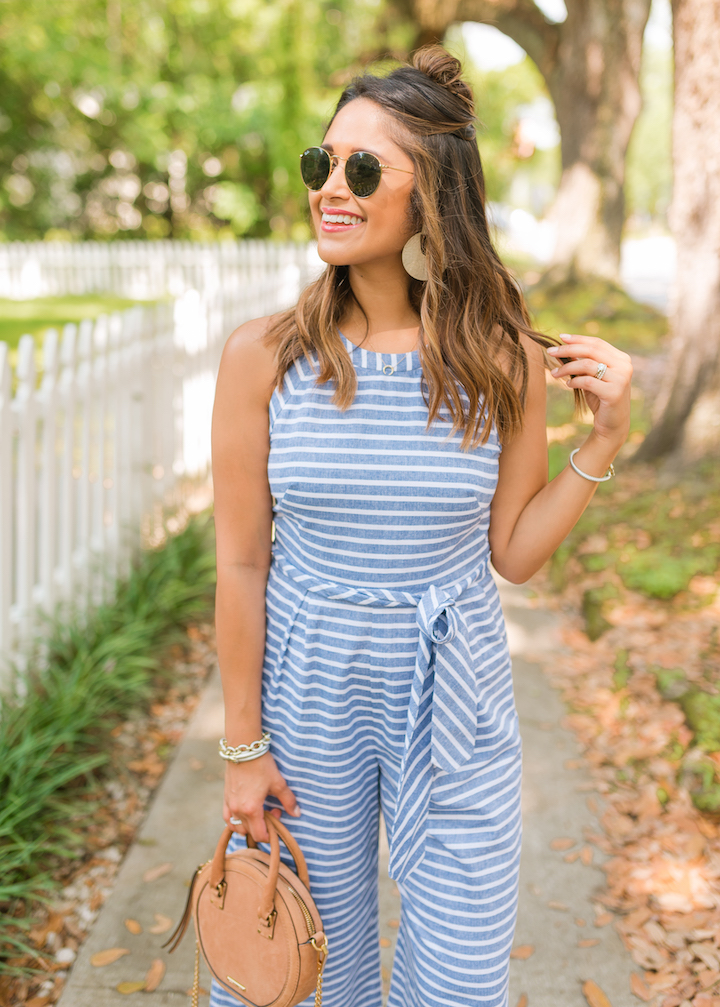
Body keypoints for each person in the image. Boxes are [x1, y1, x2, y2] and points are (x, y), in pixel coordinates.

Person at [210, 46, 632, 1007]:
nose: (332, 189)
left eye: (363, 170)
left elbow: (514, 555)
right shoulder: (263, 359)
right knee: (308, 965)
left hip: (458, 690)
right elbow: (240, 563)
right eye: (323, 165)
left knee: (457, 973)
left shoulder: (500, 357)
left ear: (430, 195)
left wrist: (602, 439)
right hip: (309, 679)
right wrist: (242, 748)